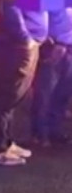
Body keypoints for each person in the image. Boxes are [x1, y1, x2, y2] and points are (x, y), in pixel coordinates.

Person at [0, 0, 45, 165]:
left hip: (24, 45)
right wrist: (25, 38)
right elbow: (9, 7)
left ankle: (5, 143)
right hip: (15, 46)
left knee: (14, 96)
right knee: (6, 95)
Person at [30, 8, 72, 146]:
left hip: (69, 49)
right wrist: (46, 42)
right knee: (44, 93)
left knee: (62, 94)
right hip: (53, 49)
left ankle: (55, 131)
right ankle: (40, 134)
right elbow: (35, 19)